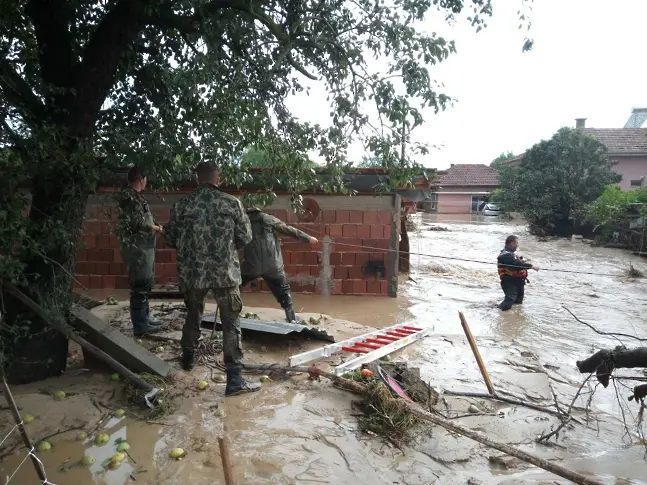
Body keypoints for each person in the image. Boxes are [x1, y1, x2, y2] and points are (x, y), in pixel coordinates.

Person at [163, 162, 259, 396]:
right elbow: (245, 237)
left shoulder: (182, 205)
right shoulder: (231, 203)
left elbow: (170, 239)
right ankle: (234, 380)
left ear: (198, 179)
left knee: (193, 316)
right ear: (218, 178)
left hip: (192, 274)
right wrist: (224, 249)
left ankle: (187, 359)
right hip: (224, 274)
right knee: (231, 324)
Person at [242, 205, 318, 322]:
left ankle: (230, 315)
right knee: (284, 292)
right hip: (273, 265)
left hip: (251, 266)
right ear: (259, 210)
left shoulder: (243, 222)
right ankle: (291, 318)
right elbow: (288, 229)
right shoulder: (268, 218)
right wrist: (308, 238)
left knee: (234, 286)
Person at [117, 167, 165, 337]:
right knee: (140, 283)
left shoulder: (134, 196)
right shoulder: (130, 197)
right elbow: (136, 223)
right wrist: (156, 228)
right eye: (145, 178)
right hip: (138, 248)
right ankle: (140, 325)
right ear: (140, 178)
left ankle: (145, 317)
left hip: (144, 247)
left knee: (146, 282)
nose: (146, 182)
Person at [497, 235, 539, 311]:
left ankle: (515, 317)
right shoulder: (504, 255)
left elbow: (517, 262)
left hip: (518, 281)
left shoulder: (511, 253)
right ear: (512, 243)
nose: (517, 245)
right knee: (510, 300)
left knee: (518, 302)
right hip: (509, 281)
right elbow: (515, 265)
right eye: (516, 243)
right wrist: (531, 266)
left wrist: (522, 261)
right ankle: (497, 312)